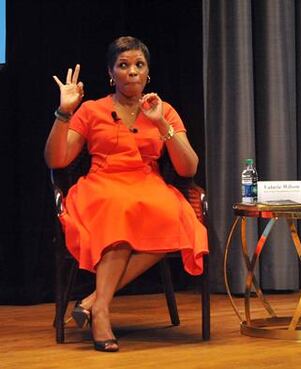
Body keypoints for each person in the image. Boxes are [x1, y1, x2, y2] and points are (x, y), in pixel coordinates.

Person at [44, 36, 208, 352]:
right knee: (118, 212)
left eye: (138, 65)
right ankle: (101, 313)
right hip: (102, 186)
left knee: (176, 218)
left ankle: (94, 300)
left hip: (148, 186)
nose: (131, 71)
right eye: (123, 65)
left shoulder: (164, 110)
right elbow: (56, 160)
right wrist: (64, 113)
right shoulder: (91, 110)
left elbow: (188, 168)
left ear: (148, 74)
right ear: (111, 73)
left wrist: (162, 125)